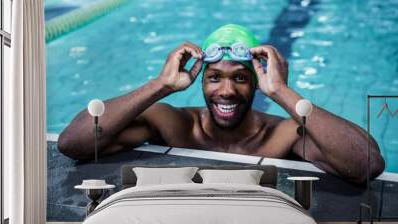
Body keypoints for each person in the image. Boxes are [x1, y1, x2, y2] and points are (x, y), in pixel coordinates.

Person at [58, 24, 385, 184]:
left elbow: (367, 164)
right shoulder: (173, 123)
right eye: (214, 77)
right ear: (201, 81)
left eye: (240, 78)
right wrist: (160, 85)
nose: (226, 90)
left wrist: (282, 91)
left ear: (256, 83)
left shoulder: (283, 134)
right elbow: (73, 143)